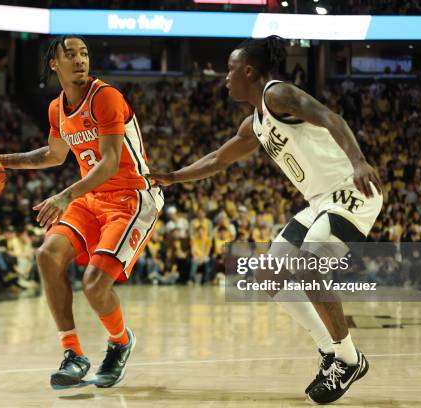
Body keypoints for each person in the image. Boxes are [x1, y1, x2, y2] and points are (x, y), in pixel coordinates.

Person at [151, 35, 383, 404]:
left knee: (309, 267)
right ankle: (329, 350)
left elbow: (330, 117)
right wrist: (174, 177)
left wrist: (358, 161)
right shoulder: (256, 122)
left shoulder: (277, 94)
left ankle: (350, 358)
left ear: (247, 71)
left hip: (349, 192)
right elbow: (217, 159)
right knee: (269, 275)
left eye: (229, 70)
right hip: (319, 201)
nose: (225, 77)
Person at [0, 35, 163, 389]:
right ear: (53, 64)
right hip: (92, 198)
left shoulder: (105, 96)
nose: (80, 60)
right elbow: (53, 155)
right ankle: (73, 354)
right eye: (70, 55)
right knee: (47, 256)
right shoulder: (57, 109)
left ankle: (120, 342)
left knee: (94, 284)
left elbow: (109, 162)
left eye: (84, 53)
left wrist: (63, 196)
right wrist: (1, 162)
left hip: (131, 197)